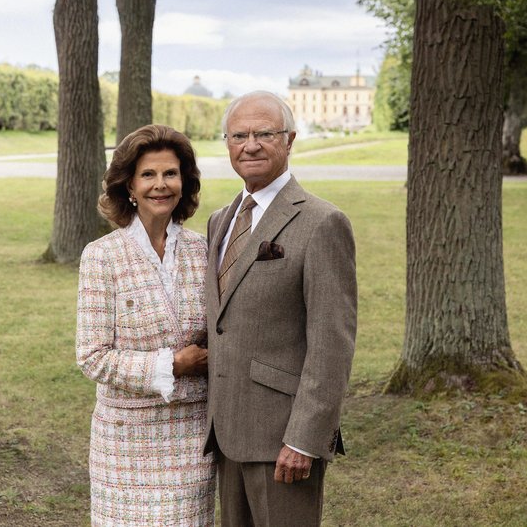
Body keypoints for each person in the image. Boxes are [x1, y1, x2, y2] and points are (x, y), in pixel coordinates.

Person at [203, 91, 357, 526]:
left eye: (264, 133)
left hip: (283, 439)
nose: (250, 144)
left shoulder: (322, 222)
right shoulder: (220, 220)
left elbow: (332, 344)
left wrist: (305, 439)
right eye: (239, 135)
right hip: (227, 431)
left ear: (289, 140)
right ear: (227, 143)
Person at [76, 124, 216, 526]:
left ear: (184, 183)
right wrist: (173, 364)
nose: (161, 185)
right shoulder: (102, 256)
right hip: (124, 443)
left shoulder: (203, 251)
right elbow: (93, 358)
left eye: (170, 174)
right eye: (148, 175)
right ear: (129, 187)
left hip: (190, 439)